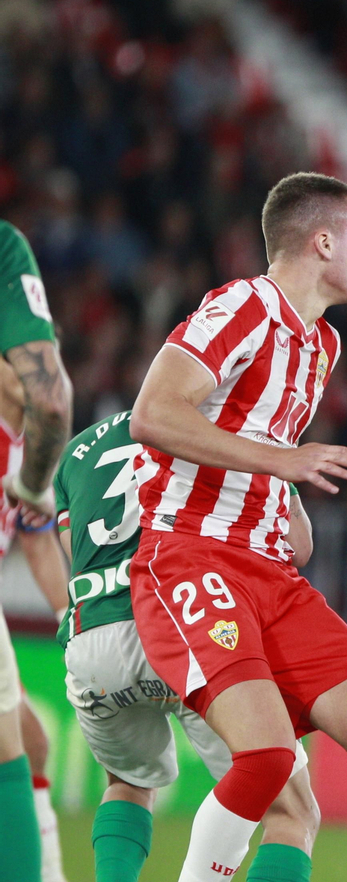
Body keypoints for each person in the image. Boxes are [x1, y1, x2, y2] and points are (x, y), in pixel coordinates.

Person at [128, 172, 347, 882]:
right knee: (265, 760)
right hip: (192, 555)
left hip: (272, 573)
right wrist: (285, 463)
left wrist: (285, 500)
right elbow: (154, 414)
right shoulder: (242, 306)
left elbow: (255, 434)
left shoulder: (322, 344)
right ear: (322, 241)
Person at [58, 410, 322, 882]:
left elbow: (71, 550)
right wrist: (290, 481)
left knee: (129, 782)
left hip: (94, 636)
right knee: (291, 810)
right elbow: (296, 547)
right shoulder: (235, 434)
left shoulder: (78, 451)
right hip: (183, 618)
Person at [0, 218, 74, 882]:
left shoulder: (29, 453)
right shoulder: (17, 401)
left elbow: (39, 540)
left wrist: (72, 618)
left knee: (33, 743)